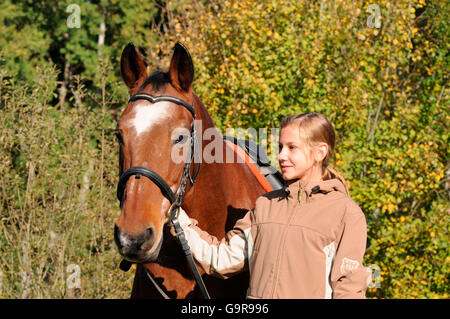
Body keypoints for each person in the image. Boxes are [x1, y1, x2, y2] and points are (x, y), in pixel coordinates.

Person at [172, 112, 371, 298]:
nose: (282, 156)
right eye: (280, 147)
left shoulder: (345, 214)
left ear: (320, 153)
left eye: (292, 148)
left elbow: (349, 290)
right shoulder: (266, 205)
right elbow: (220, 259)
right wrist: (176, 217)